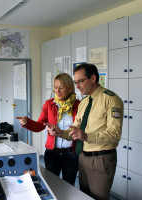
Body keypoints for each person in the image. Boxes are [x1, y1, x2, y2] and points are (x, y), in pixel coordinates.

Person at [47, 63, 124, 200]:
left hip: (101, 159)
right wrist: (60, 133)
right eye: (76, 82)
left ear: (93, 78)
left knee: (98, 197)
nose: (77, 86)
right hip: (83, 157)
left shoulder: (111, 100)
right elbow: (74, 131)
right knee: (84, 196)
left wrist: (87, 136)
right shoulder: (84, 103)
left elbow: (114, 134)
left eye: (80, 81)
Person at [16, 73, 80, 186]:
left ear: (70, 88)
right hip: (52, 153)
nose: (57, 91)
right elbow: (39, 125)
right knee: (51, 185)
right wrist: (28, 122)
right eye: (55, 87)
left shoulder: (79, 105)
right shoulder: (49, 104)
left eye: (61, 87)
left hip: (71, 154)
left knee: (69, 186)